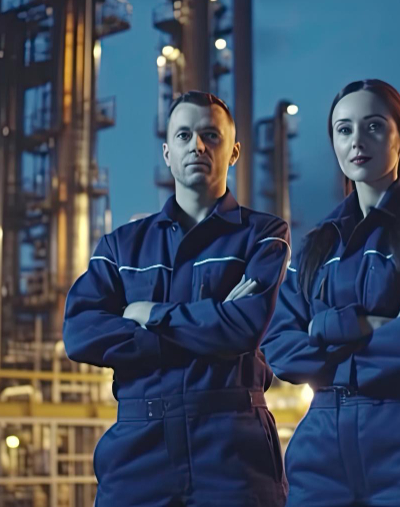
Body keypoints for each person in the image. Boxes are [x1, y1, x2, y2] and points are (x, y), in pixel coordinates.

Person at [64, 91, 290, 506]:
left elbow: (242, 328)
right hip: (138, 450)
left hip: (232, 449)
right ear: (167, 153)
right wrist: (209, 322)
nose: (197, 145)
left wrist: (147, 315)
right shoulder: (122, 247)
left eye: (211, 135)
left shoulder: (263, 235)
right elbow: (80, 333)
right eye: (184, 136)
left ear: (234, 151)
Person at [261, 79, 400, 506]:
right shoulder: (317, 245)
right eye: (344, 129)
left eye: (373, 126)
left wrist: (326, 329)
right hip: (320, 453)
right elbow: (280, 347)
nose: (357, 140)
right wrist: (367, 324)